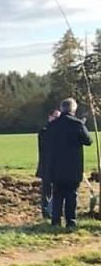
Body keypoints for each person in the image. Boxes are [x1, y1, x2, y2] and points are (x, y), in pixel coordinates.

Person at [46, 97, 92, 229]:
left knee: (57, 195)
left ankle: (55, 222)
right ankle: (70, 222)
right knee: (71, 195)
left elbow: (46, 141)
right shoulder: (77, 124)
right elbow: (88, 141)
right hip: (73, 167)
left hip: (55, 167)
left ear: (61, 109)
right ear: (74, 109)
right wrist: (83, 125)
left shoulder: (52, 125)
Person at [35, 109, 60, 219]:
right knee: (46, 191)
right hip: (46, 166)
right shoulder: (44, 130)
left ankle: (55, 211)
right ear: (50, 117)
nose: (57, 120)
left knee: (57, 190)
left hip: (57, 166)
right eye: (55, 117)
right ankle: (46, 213)